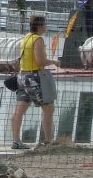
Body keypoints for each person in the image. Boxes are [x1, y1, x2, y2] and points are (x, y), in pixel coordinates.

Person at [10, 14, 58, 150]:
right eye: (45, 24)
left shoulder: (26, 38)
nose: (46, 27)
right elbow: (40, 61)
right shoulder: (38, 40)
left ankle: (16, 140)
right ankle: (49, 141)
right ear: (40, 26)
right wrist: (54, 61)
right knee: (48, 108)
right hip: (35, 77)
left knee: (19, 110)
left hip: (22, 76)